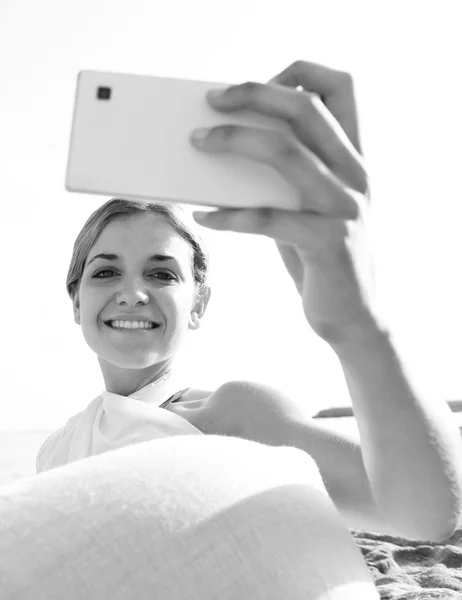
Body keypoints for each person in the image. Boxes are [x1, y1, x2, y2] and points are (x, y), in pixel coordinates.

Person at [2, 59, 459, 599]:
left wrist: (357, 324)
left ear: (198, 305)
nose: (132, 291)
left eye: (161, 272)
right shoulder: (55, 451)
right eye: (105, 272)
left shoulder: (234, 413)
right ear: (76, 301)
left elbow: (425, 513)